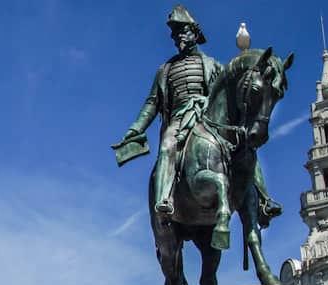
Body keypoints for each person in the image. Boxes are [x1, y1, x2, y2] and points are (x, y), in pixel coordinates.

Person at [117, 4, 280, 239]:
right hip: (180, 120)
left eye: (182, 31)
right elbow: (152, 103)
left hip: (208, 117)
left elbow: (228, 93)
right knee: (167, 146)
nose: (178, 37)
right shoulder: (165, 70)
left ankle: (264, 200)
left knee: (247, 148)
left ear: (195, 33)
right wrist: (135, 129)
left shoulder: (212, 64)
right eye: (175, 34)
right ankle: (165, 199)